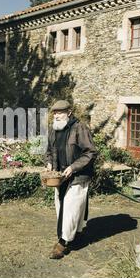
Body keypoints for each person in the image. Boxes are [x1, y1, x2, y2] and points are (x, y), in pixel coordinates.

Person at [46, 100, 97, 260]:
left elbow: (90, 152)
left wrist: (73, 167)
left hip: (78, 176)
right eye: (55, 113)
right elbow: (49, 151)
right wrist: (49, 163)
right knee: (61, 206)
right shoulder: (53, 130)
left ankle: (63, 242)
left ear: (69, 112)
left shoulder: (79, 128)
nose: (57, 115)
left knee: (71, 208)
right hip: (59, 177)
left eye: (60, 112)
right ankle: (78, 233)